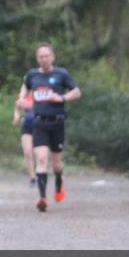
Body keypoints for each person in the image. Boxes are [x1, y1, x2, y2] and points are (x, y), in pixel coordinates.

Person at [17, 43, 81, 212]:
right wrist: (22, 98)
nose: (43, 59)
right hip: (39, 122)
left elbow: (76, 92)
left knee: (57, 163)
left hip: (57, 122)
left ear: (52, 57)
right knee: (41, 158)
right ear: (37, 58)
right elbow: (25, 87)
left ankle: (59, 179)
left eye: (46, 56)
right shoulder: (32, 75)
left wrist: (61, 97)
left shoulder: (61, 74)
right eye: (40, 56)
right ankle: (42, 198)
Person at [12, 92, 36, 188]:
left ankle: (41, 173)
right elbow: (17, 109)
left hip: (40, 126)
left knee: (38, 152)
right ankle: (32, 178)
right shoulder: (22, 95)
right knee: (27, 152)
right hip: (26, 126)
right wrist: (16, 118)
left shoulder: (39, 92)